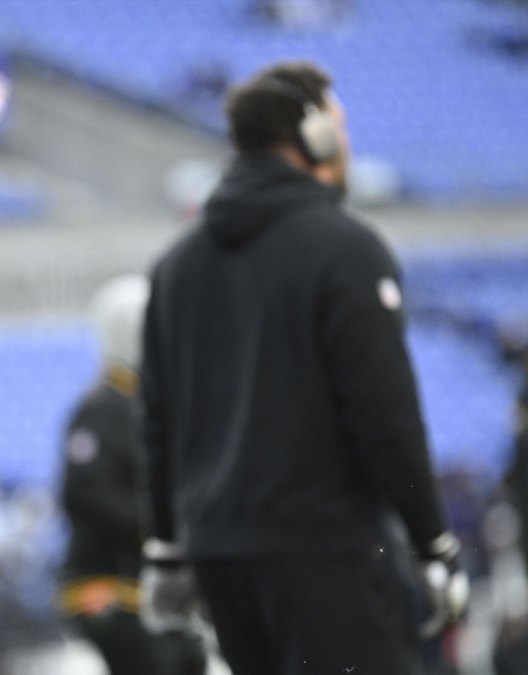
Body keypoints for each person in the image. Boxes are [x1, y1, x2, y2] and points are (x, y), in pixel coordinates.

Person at [139, 60, 468, 675]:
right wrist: (435, 544)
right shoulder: (346, 248)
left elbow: (157, 423)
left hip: (220, 557)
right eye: (338, 125)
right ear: (315, 135)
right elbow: (386, 415)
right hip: (325, 553)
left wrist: (166, 549)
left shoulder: (175, 266)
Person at [55, 276, 206, 675]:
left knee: (191, 662)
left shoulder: (150, 404)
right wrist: (165, 526)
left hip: (157, 588)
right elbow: (86, 493)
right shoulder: (102, 409)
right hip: (110, 587)